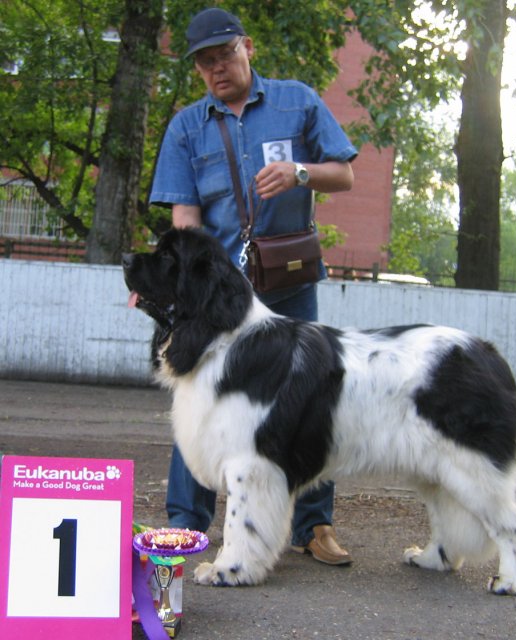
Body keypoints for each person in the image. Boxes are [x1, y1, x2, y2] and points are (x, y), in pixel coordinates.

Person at [149, 7, 358, 566]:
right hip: (220, 298)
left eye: (224, 55)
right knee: (199, 398)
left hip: (288, 280)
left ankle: (314, 527)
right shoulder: (187, 127)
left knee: (309, 398)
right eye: (205, 62)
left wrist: (301, 173)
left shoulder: (297, 101)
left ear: (248, 47)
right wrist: (181, 288)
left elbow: (346, 172)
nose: (217, 68)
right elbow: (185, 220)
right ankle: (185, 522)